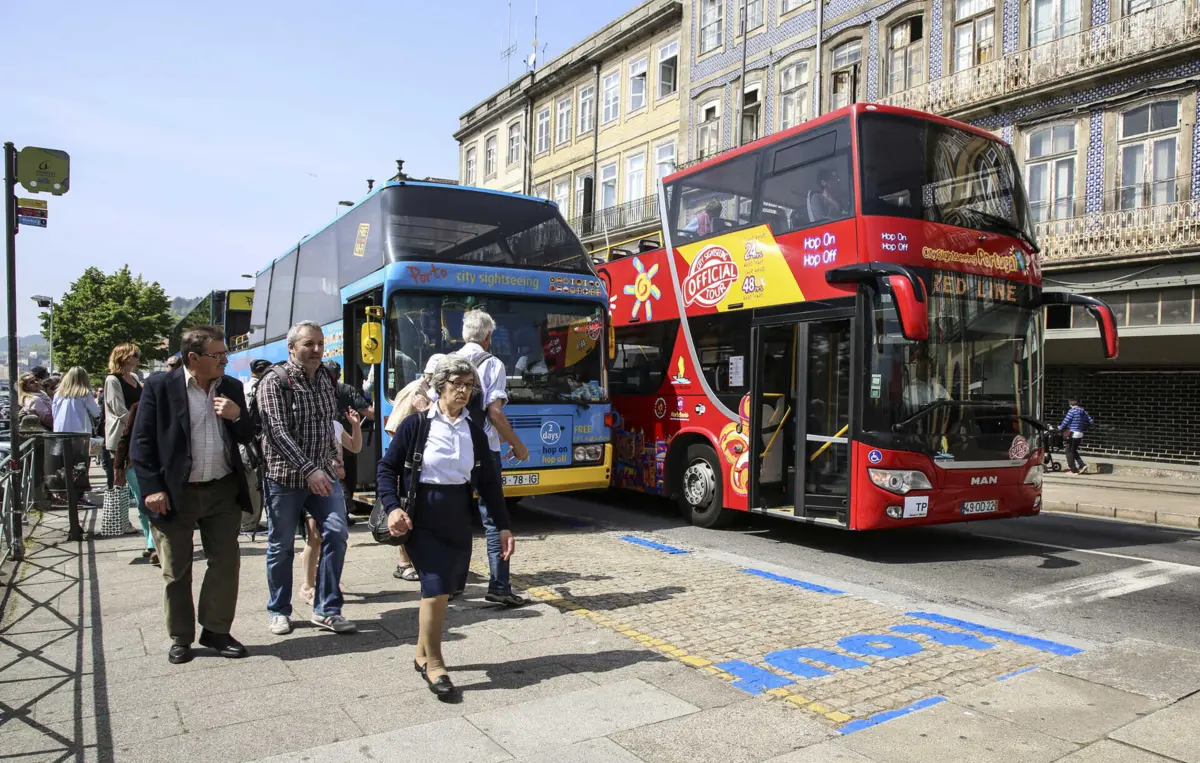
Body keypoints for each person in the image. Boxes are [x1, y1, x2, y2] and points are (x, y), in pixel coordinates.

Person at [377, 354, 514, 699]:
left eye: (470, 386)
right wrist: (392, 509)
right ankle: (435, 664)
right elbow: (386, 469)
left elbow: (489, 484)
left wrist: (503, 526)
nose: (464, 391)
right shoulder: (417, 425)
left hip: (457, 517)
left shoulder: (473, 430)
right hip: (421, 516)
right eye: (457, 384)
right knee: (435, 588)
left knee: (446, 588)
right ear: (441, 386)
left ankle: (421, 652)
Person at [130, 326, 254, 664]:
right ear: (193, 358)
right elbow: (141, 443)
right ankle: (181, 637)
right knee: (176, 570)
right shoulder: (160, 386)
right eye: (218, 356)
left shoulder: (230, 387)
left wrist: (238, 414)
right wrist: (151, 489)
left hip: (223, 489)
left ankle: (216, 630)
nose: (225, 361)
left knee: (226, 563)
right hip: (174, 493)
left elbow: (247, 434)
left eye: (225, 354)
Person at [258, 321, 355, 635]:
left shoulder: (326, 377)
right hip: (284, 478)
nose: (316, 350)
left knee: (337, 533)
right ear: (291, 348)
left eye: (320, 344)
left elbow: (326, 421)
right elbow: (276, 432)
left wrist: (333, 458)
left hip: (323, 474)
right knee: (281, 545)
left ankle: (326, 609)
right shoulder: (275, 381)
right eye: (308, 344)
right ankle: (279, 610)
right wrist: (308, 470)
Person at [454, 310, 530, 606]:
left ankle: (453, 584)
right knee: (493, 518)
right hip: (484, 450)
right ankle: (499, 587)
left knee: (455, 517)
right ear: (488, 336)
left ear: (464, 334)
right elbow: (495, 412)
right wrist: (519, 445)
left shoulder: (448, 362)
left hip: (451, 449)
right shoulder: (492, 363)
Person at [384, 353, 445, 582]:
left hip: (424, 463)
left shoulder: (432, 392)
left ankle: (421, 560)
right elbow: (394, 429)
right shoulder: (415, 391)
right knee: (406, 511)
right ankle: (403, 563)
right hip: (408, 464)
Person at [300, 408, 362, 605]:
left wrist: (355, 426)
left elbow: (355, 447)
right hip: (312, 485)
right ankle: (308, 585)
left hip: (333, 485)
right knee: (314, 536)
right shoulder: (304, 424)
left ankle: (326, 583)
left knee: (333, 535)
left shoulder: (335, 425)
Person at [103, 343, 143, 535]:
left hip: (138, 434)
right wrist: (137, 424)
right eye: (135, 355)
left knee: (133, 482)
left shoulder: (134, 377)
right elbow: (117, 409)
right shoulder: (112, 380)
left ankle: (131, 519)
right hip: (121, 436)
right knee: (120, 480)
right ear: (124, 356)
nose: (138, 359)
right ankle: (119, 521)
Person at [51, 367, 102, 509]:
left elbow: (54, 413)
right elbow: (96, 412)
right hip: (80, 434)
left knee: (64, 465)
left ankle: (64, 494)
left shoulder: (58, 394)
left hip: (60, 434)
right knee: (81, 465)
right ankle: (79, 496)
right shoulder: (85, 394)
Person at [114, 401, 156, 565]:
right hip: (136, 465)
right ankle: (150, 542)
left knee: (154, 505)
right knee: (142, 506)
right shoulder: (138, 407)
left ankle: (153, 546)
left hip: (161, 466)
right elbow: (126, 435)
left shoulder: (173, 404)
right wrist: (118, 466)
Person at [239, 359, 273, 533]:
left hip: (243, 443)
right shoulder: (258, 388)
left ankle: (248, 521)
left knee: (249, 481)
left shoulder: (244, 387)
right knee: (253, 483)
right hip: (252, 443)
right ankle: (249, 523)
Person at [1059, 397, 1095, 474]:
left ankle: (1073, 470)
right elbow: (1091, 422)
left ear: (1070, 404)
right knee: (1073, 450)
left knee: (1068, 451)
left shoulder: (1072, 411)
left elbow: (1066, 421)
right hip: (1080, 434)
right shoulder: (1083, 411)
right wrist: (1083, 427)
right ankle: (1082, 465)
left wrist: (1060, 428)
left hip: (1073, 433)